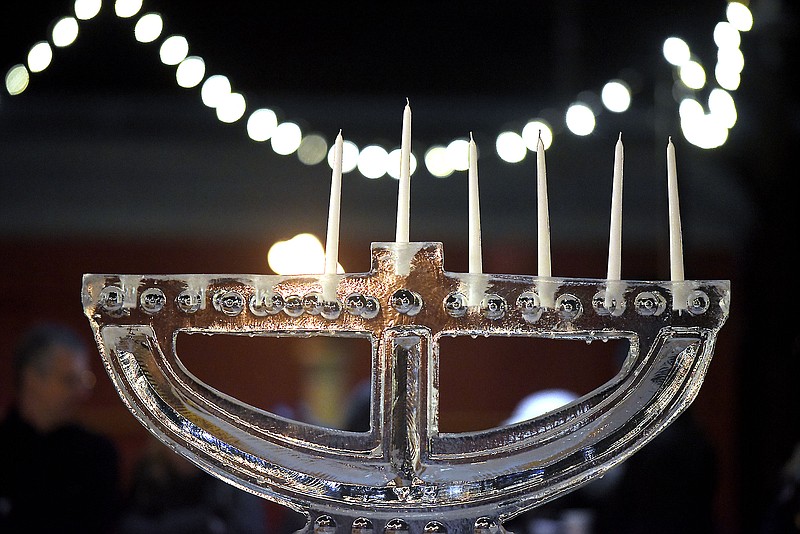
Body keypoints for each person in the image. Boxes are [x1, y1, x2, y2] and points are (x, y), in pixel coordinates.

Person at [0, 322, 121, 533]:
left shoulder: (96, 455)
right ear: (32, 379)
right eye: (69, 380)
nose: (81, 393)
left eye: (83, 381)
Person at [118, 437, 269, 534]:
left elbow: (252, 528)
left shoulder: (229, 481)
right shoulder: (150, 477)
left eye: (194, 440)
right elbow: (130, 526)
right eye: (178, 441)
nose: (186, 450)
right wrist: (204, 521)